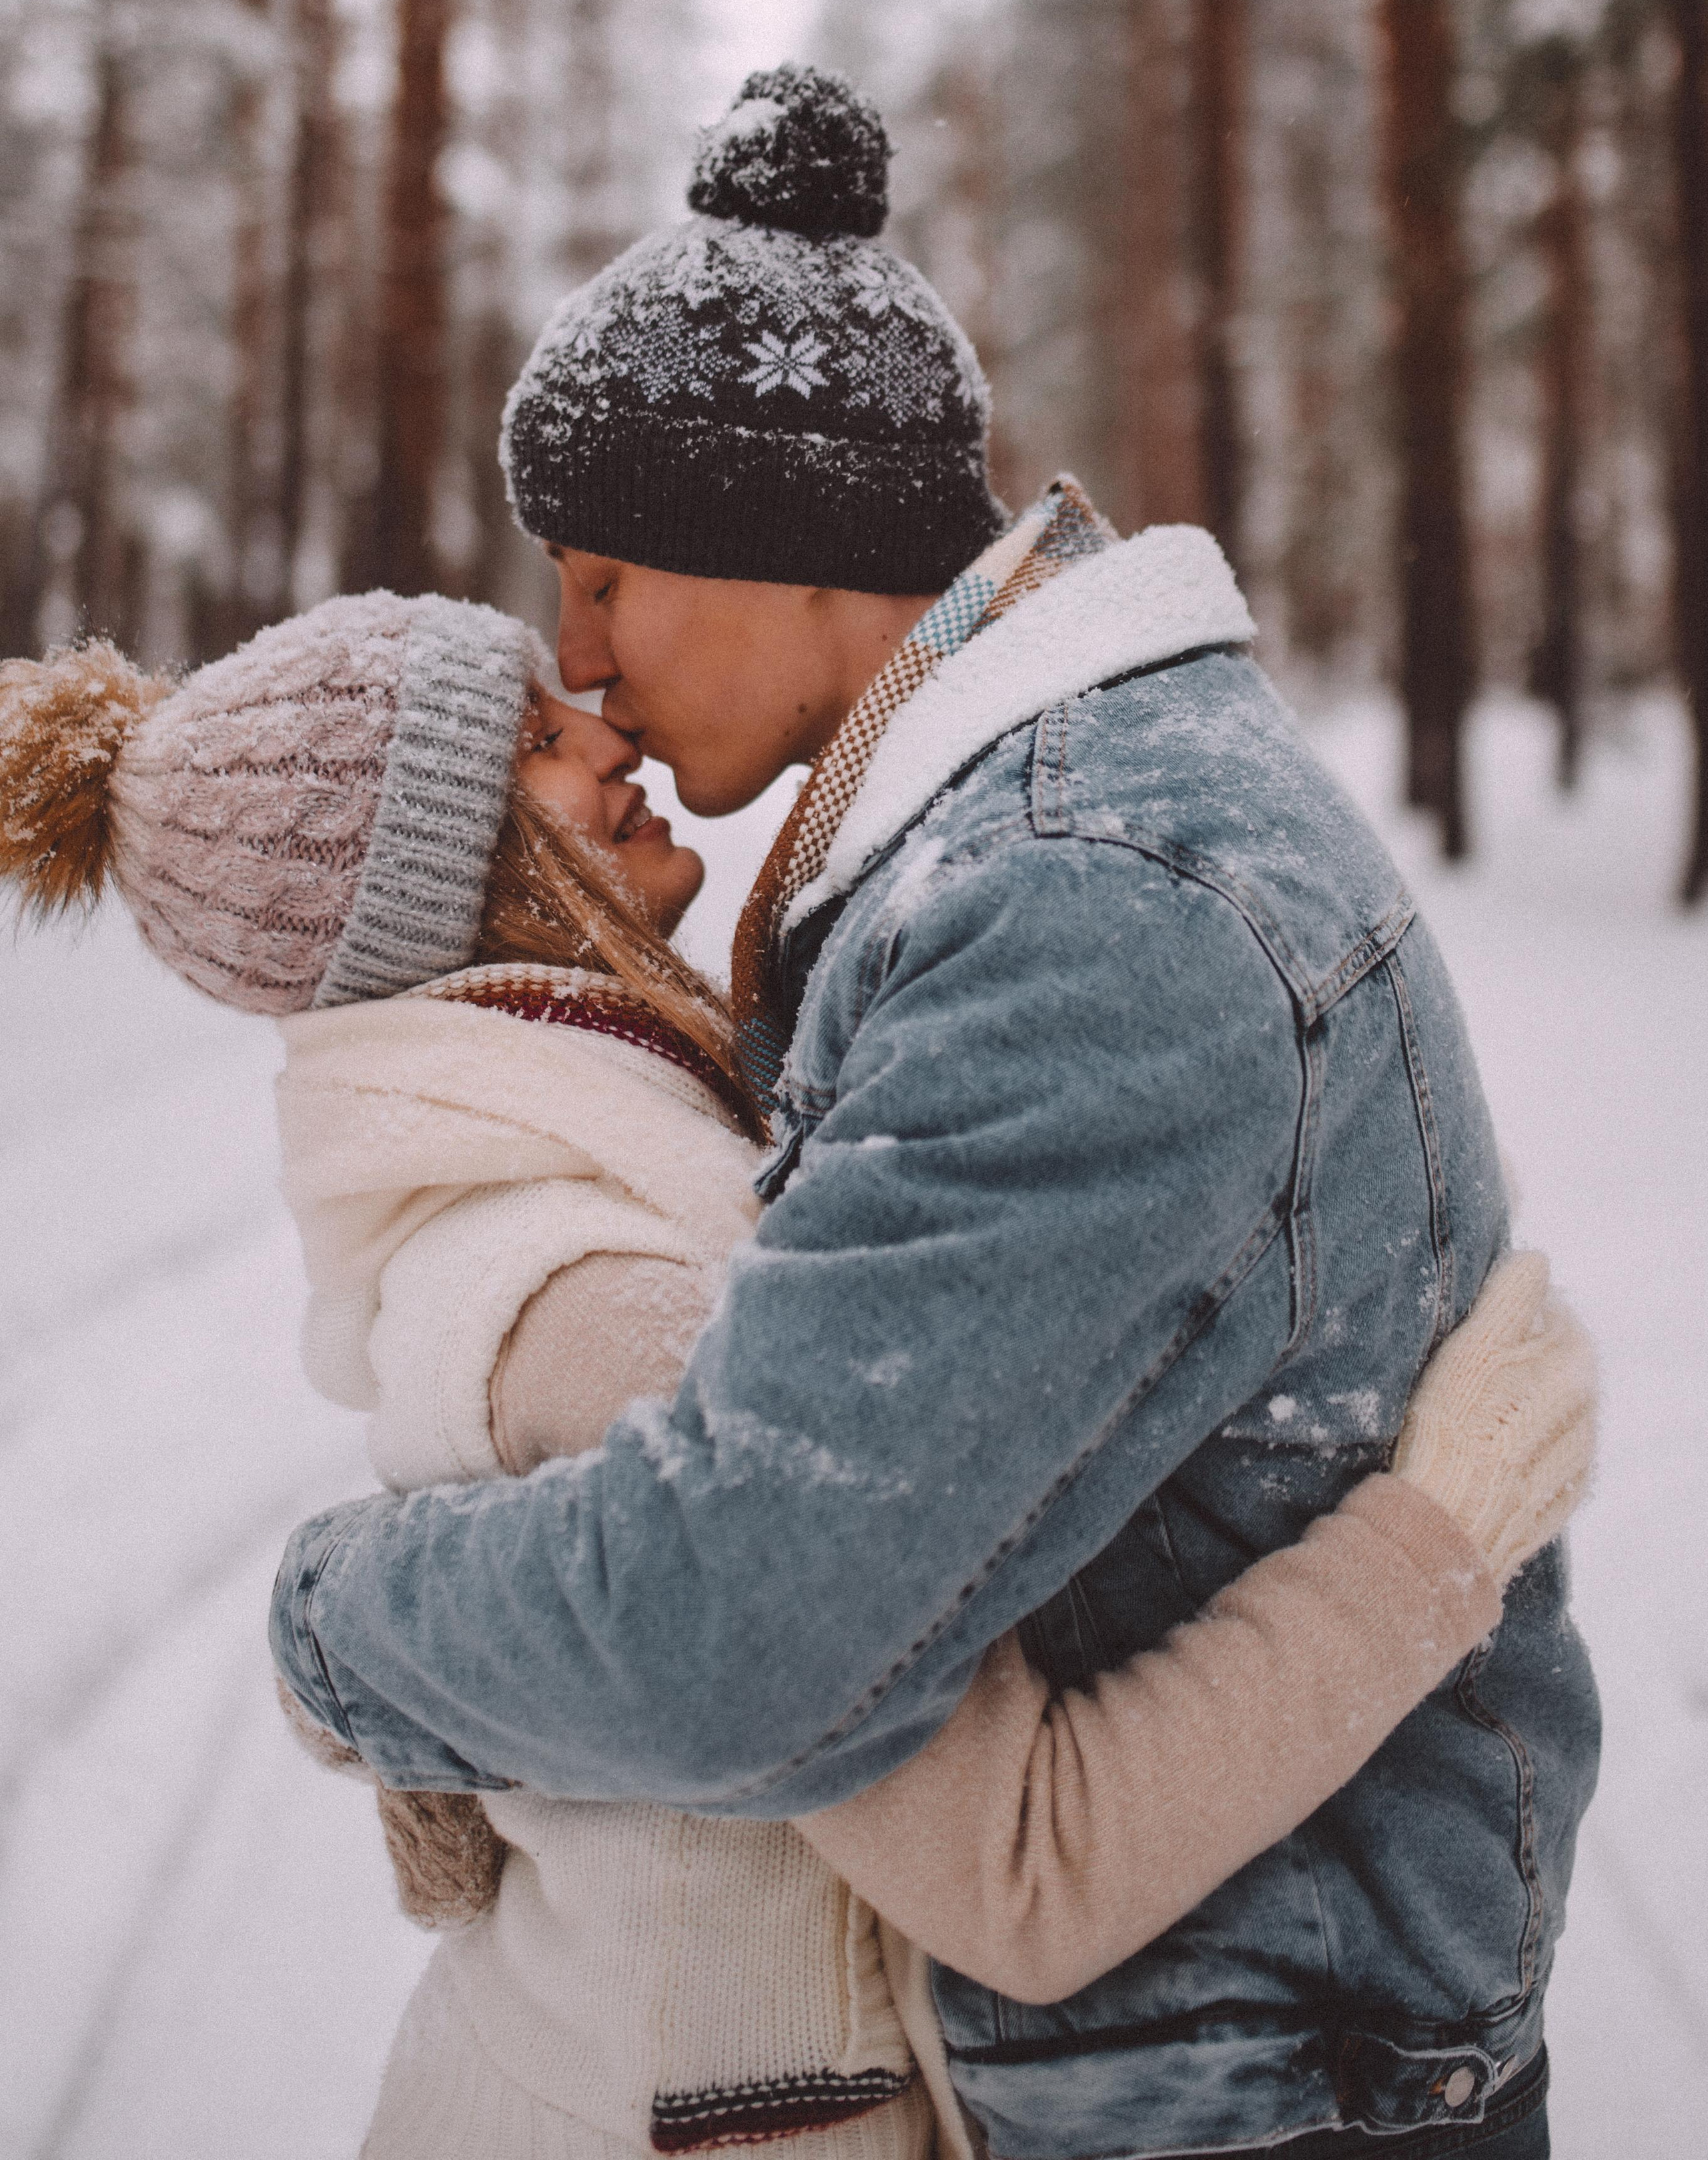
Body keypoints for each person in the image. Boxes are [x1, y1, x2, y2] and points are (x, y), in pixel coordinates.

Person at [248, 61, 1602, 2157]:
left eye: (605, 576)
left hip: (1268, 2090)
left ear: (788, 548)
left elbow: (745, 1630)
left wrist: (334, 1625)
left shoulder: (1088, 906)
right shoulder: (1021, 842)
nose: (576, 657)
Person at [0, 599, 1590, 2160]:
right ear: (449, 885)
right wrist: (1432, 1543)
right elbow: (1026, 1874)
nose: (608, 730)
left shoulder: (573, 1162)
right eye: (537, 744)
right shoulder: (607, 1287)